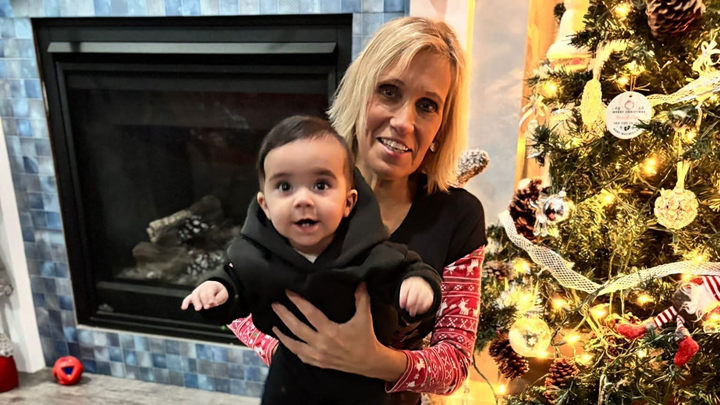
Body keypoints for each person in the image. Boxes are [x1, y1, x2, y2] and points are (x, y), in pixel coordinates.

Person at [228, 17, 487, 405]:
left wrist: (373, 361)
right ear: (360, 93)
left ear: (441, 126)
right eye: (389, 91)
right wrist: (300, 355)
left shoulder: (458, 217)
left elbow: (454, 364)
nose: (404, 122)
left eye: (427, 105)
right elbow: (238, 290)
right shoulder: (303, 185)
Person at [182, 115, 443, 404]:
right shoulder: (257, 255)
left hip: (359, 386)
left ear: (348, 202)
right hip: (289, 381)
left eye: (320, 185)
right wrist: (218, 290)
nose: (303, 200)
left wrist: (417, 286)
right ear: (265, 206)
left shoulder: (369, 252)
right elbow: (237, 283)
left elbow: (406, 270)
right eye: (285, 187)